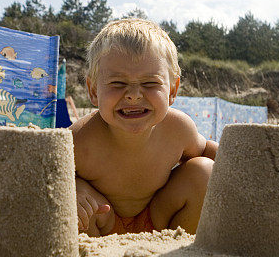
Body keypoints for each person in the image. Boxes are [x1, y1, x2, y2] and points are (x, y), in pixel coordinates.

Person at [70, 18, 218, 236]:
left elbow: (207, 150)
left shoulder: (177, 129)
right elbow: (43, 175)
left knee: (204, 170)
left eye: (150, 83)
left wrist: (244, 168)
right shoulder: (80, 139)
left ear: (172, 90)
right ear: (93, 91)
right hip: (102, 223)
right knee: (71, 196)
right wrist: (72, 188)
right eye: (117, 83)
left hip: (160, 219)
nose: (133, 94)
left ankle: (181, 249)